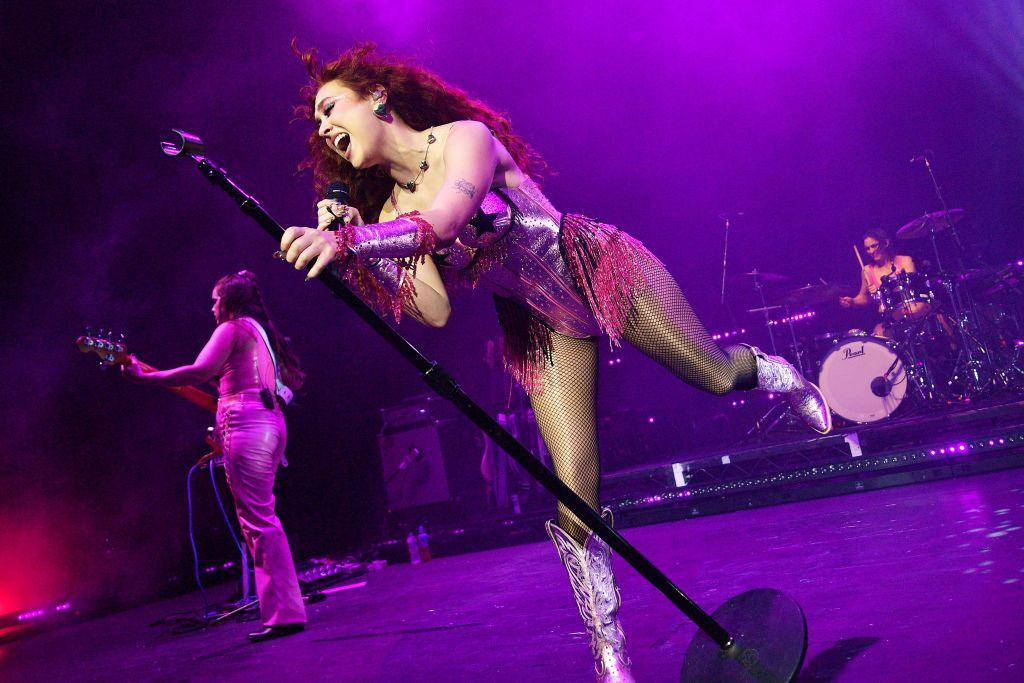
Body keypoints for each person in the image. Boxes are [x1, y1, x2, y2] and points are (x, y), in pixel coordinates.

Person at [280, 43, 830, 680]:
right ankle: (610, 650)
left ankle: (777, 374)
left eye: (329, 108)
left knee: (710, 373)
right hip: (545, 326)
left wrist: (352, 239)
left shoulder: (465, 138)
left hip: (597, 267)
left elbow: (448, 218)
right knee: (575, 494)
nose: (323, 128)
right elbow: (433, 311)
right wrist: (359, 249)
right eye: (317, 122)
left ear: (376, 97)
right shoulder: (386, 214)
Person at [125, 271, 307, 642]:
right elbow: (216, 389)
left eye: (214, 300)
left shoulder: (232, 328)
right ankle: (283, 609)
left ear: (227, 301)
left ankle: (285, 615)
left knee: (258, 521)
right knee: (261, 520)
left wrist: (146, 379)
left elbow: (199, 371)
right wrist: (151, 372)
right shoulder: (257, 331)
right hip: (268, 425)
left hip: (249, 427)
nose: (211, 307)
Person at [840, 228, 923, 337]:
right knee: (879, 336)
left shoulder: (905, 261)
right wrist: (852, 301)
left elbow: (914, 288)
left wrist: (899, 280)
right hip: (891, 320)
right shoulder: (867, 271)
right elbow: (864, 298)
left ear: (886, 243)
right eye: (867, 248)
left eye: (874, 246)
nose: (871, 251)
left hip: (914, 311)